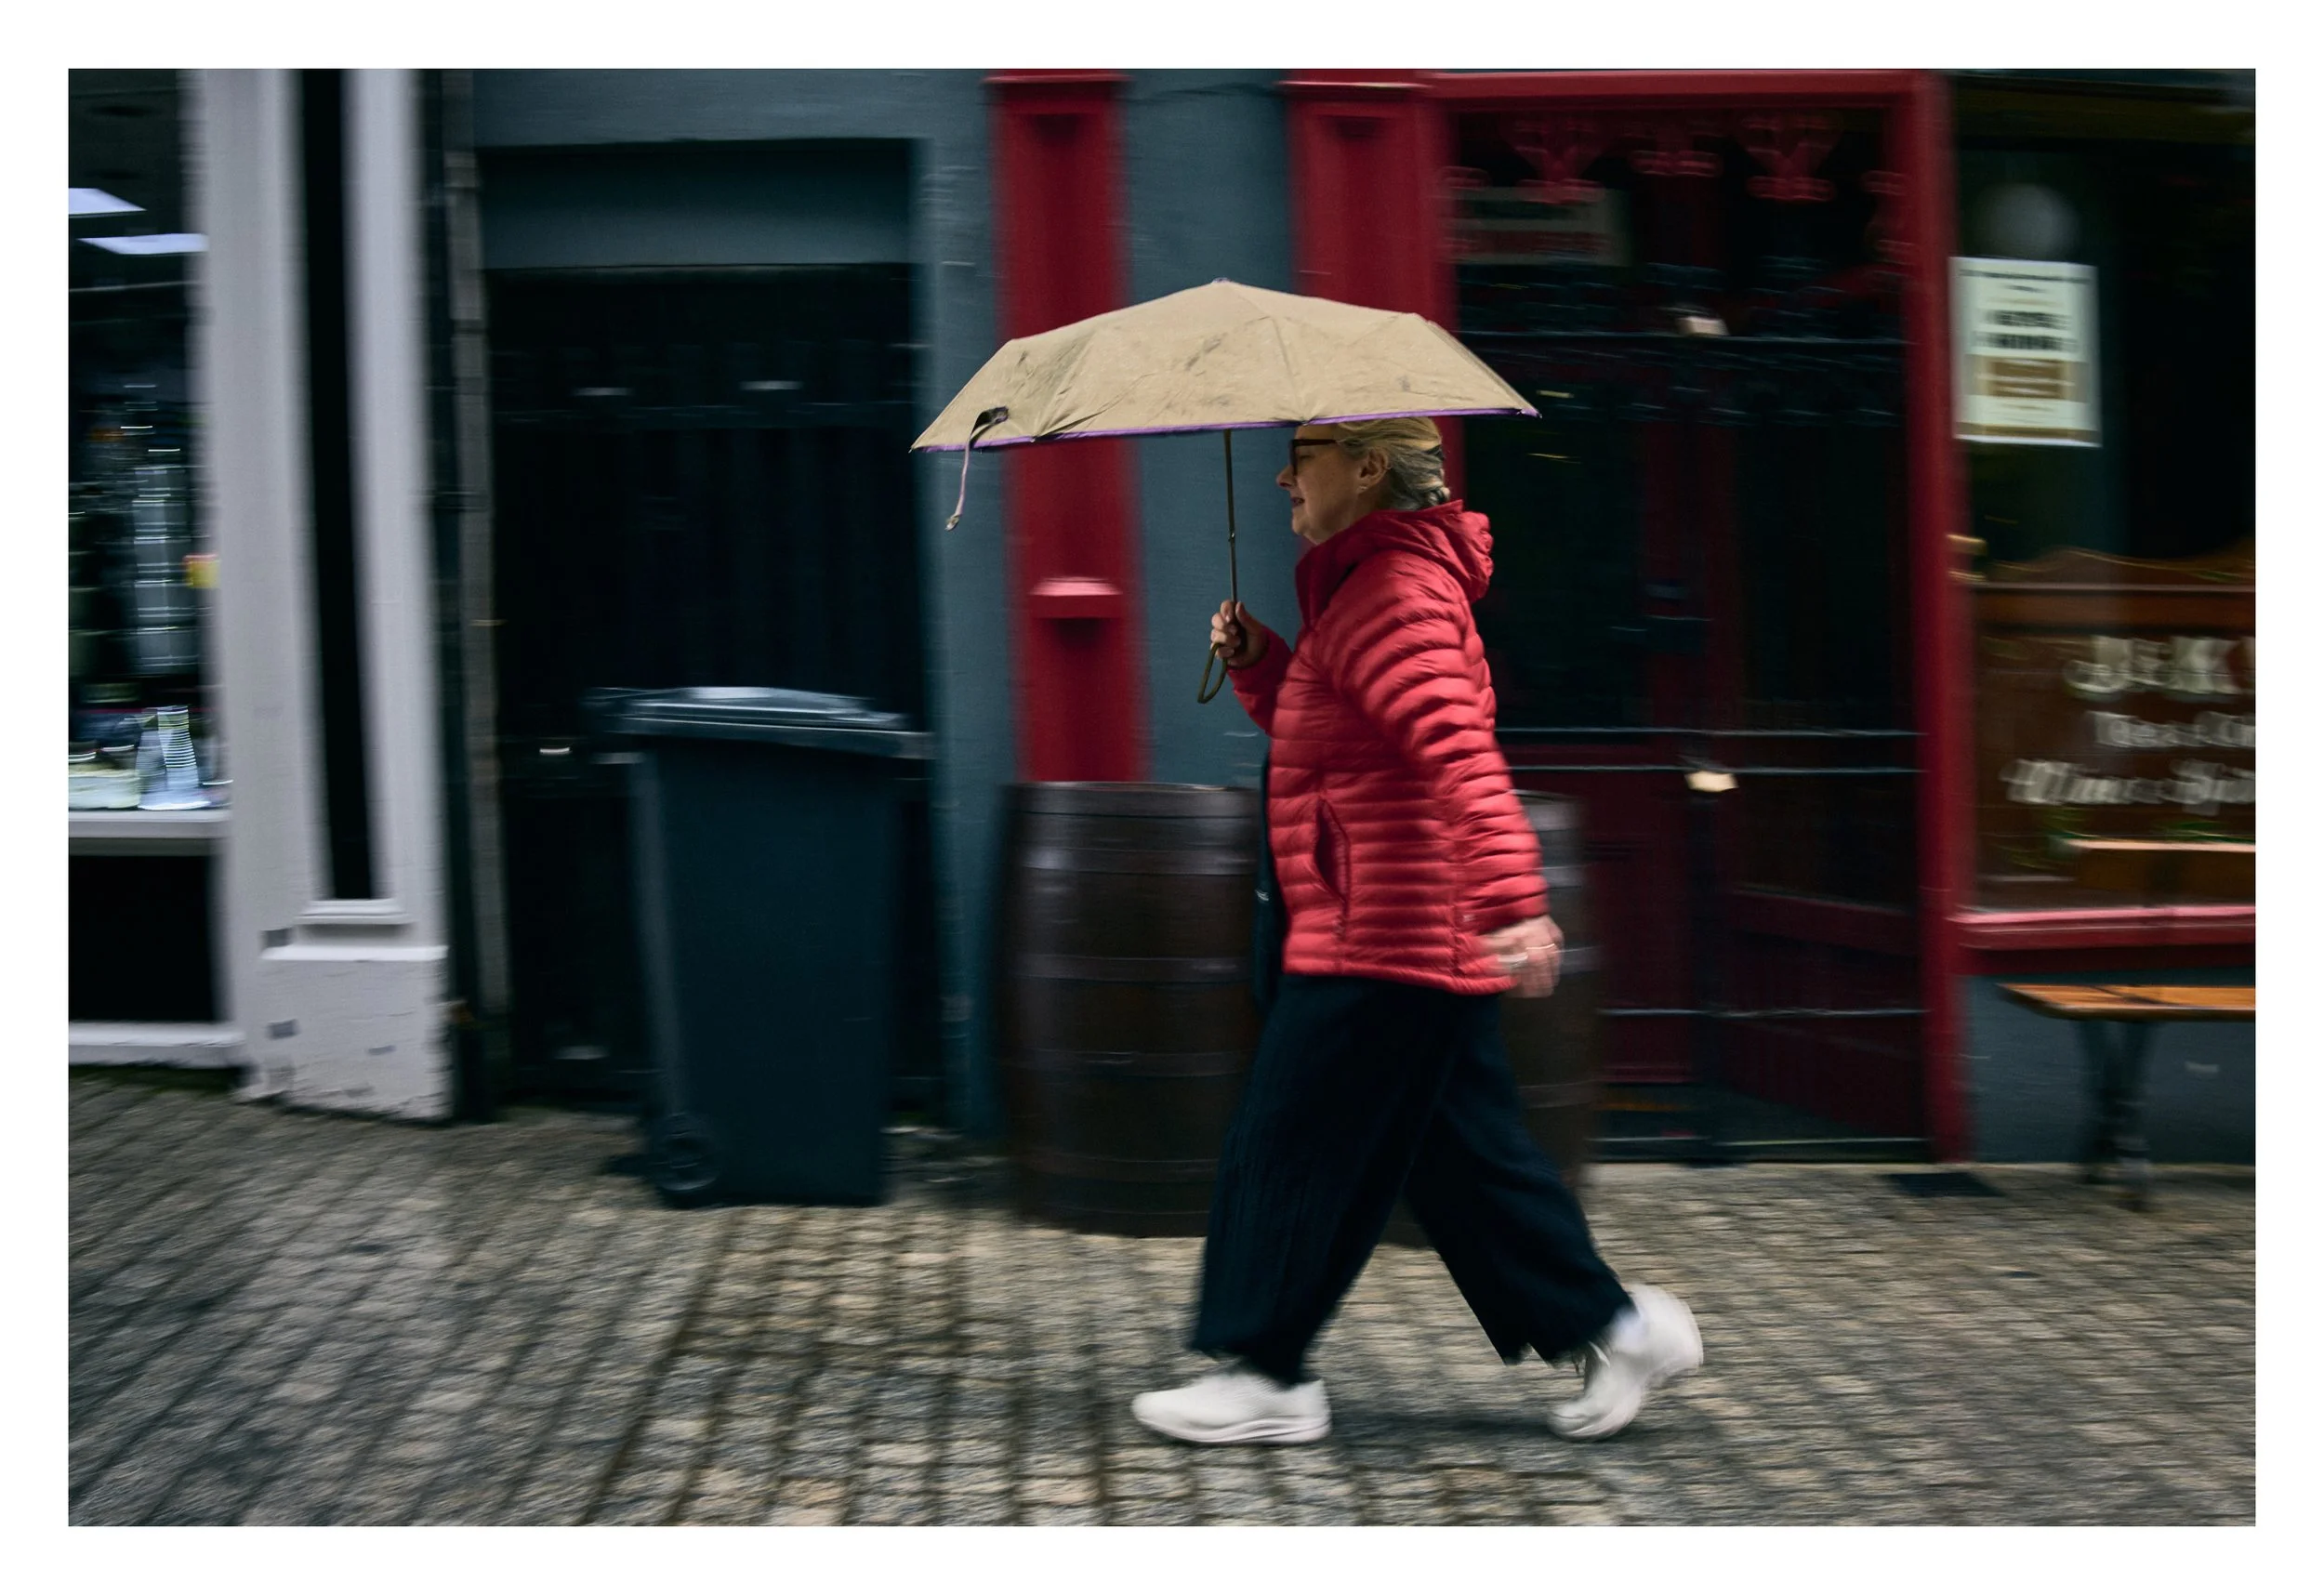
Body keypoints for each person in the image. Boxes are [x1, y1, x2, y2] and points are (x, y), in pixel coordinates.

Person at [1130, 415, 1701, 1447]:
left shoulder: (1391, 594)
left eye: (1300, 457)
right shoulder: (1366, 590)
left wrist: (1514, 901)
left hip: (1384, 936)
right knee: (1466, 1163)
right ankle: (1617, 1327)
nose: (1280, 477)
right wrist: (1264, 665)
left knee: (1291, 1142)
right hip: (1392, 927)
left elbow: (1455, 754)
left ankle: (1266, 1374)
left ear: (1366, 467)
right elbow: (1351, 746)